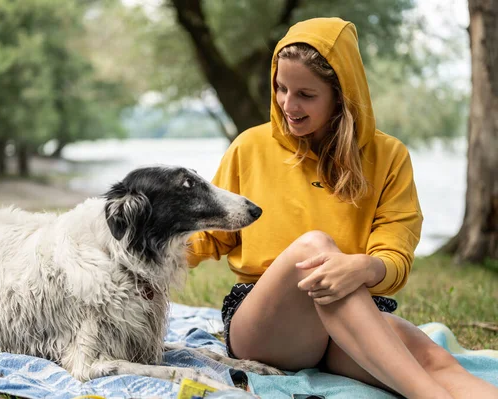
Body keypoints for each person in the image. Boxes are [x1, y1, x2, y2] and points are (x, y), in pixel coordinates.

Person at [187, 17, 498, 399]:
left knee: (436, 363)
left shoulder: (389, 157)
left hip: (351, 314)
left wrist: (364, 267)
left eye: (305, 94)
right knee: (315, 247)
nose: (288, 103)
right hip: (266, 325)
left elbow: (395, 253)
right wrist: (133, 261)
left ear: (340, 94)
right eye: (281, 88)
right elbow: (204, 236)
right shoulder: (248, 148)